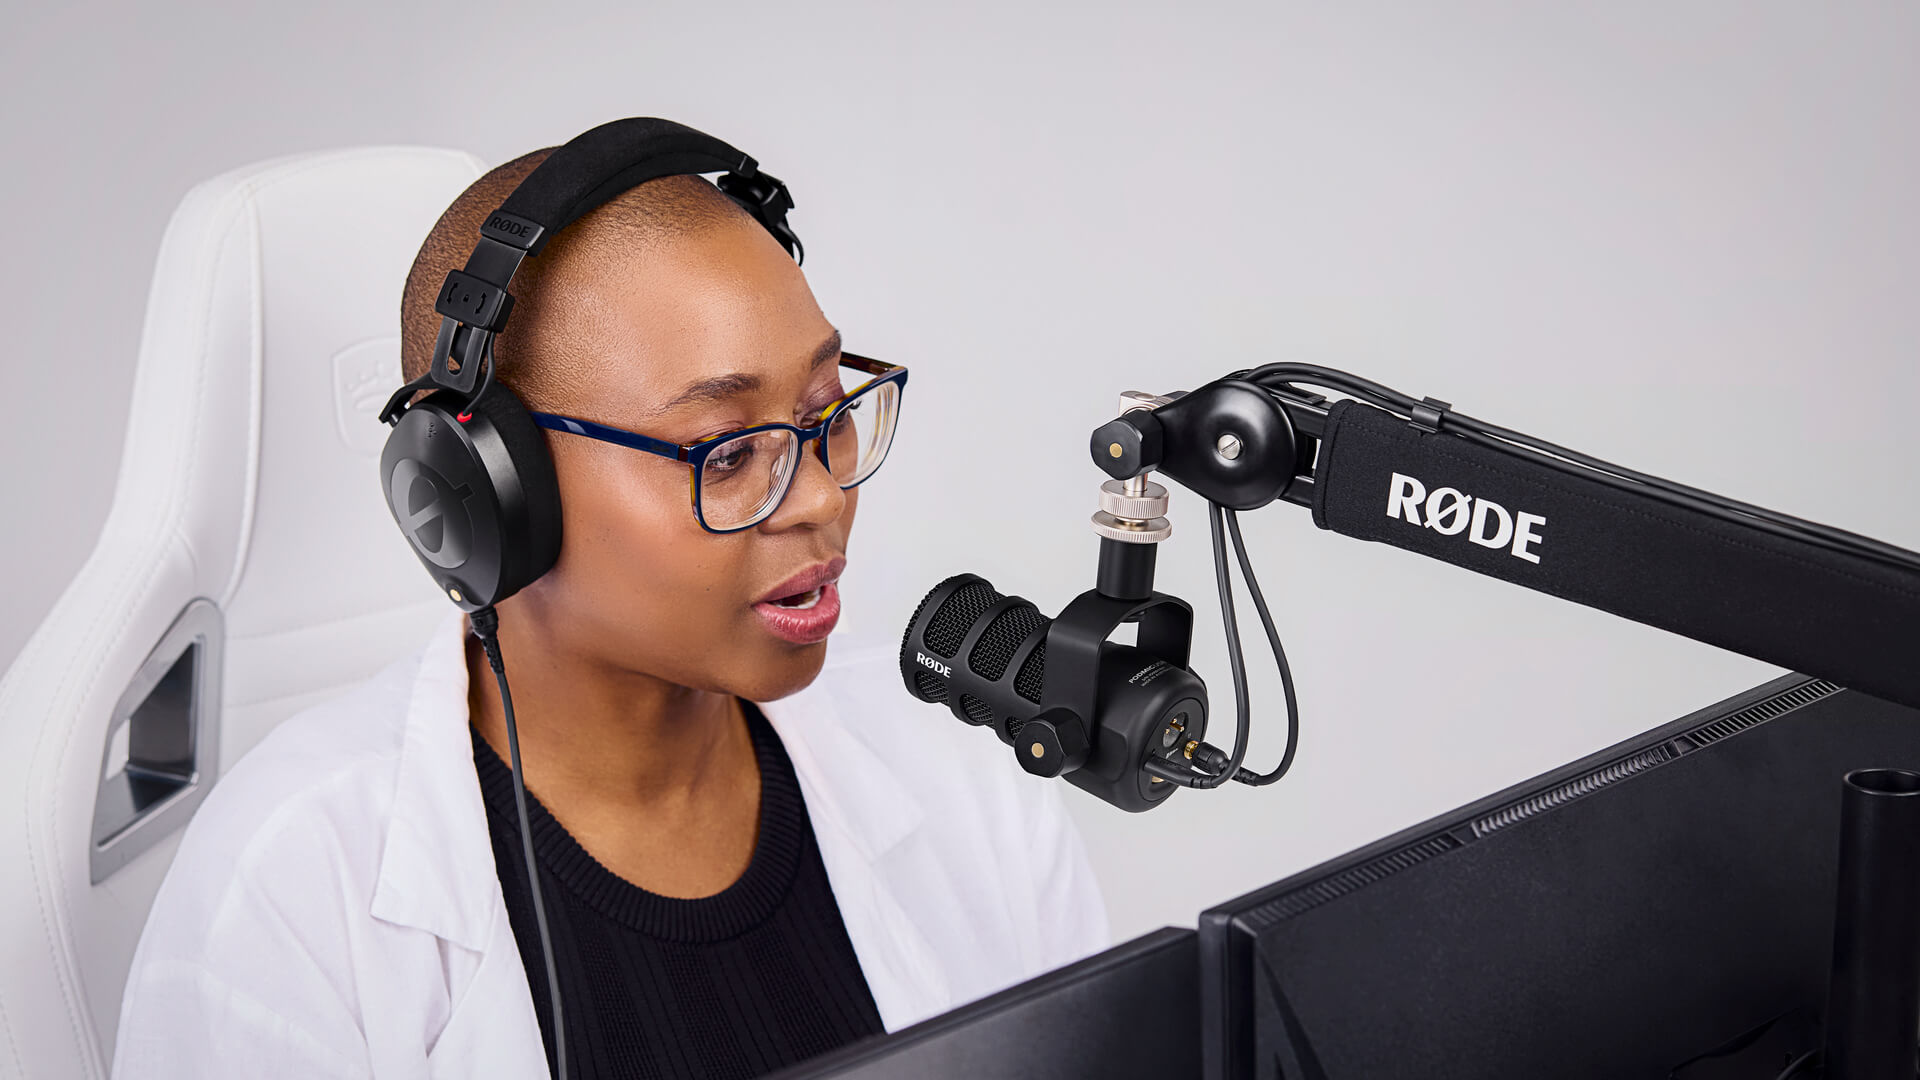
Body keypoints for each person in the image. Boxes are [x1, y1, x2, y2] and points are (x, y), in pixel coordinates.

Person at [112, 137, 1108, 1079]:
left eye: (824, 419)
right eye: (725, 454)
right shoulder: (288, 895)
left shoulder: (957, 765)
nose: (818, 499)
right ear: (486, 495)